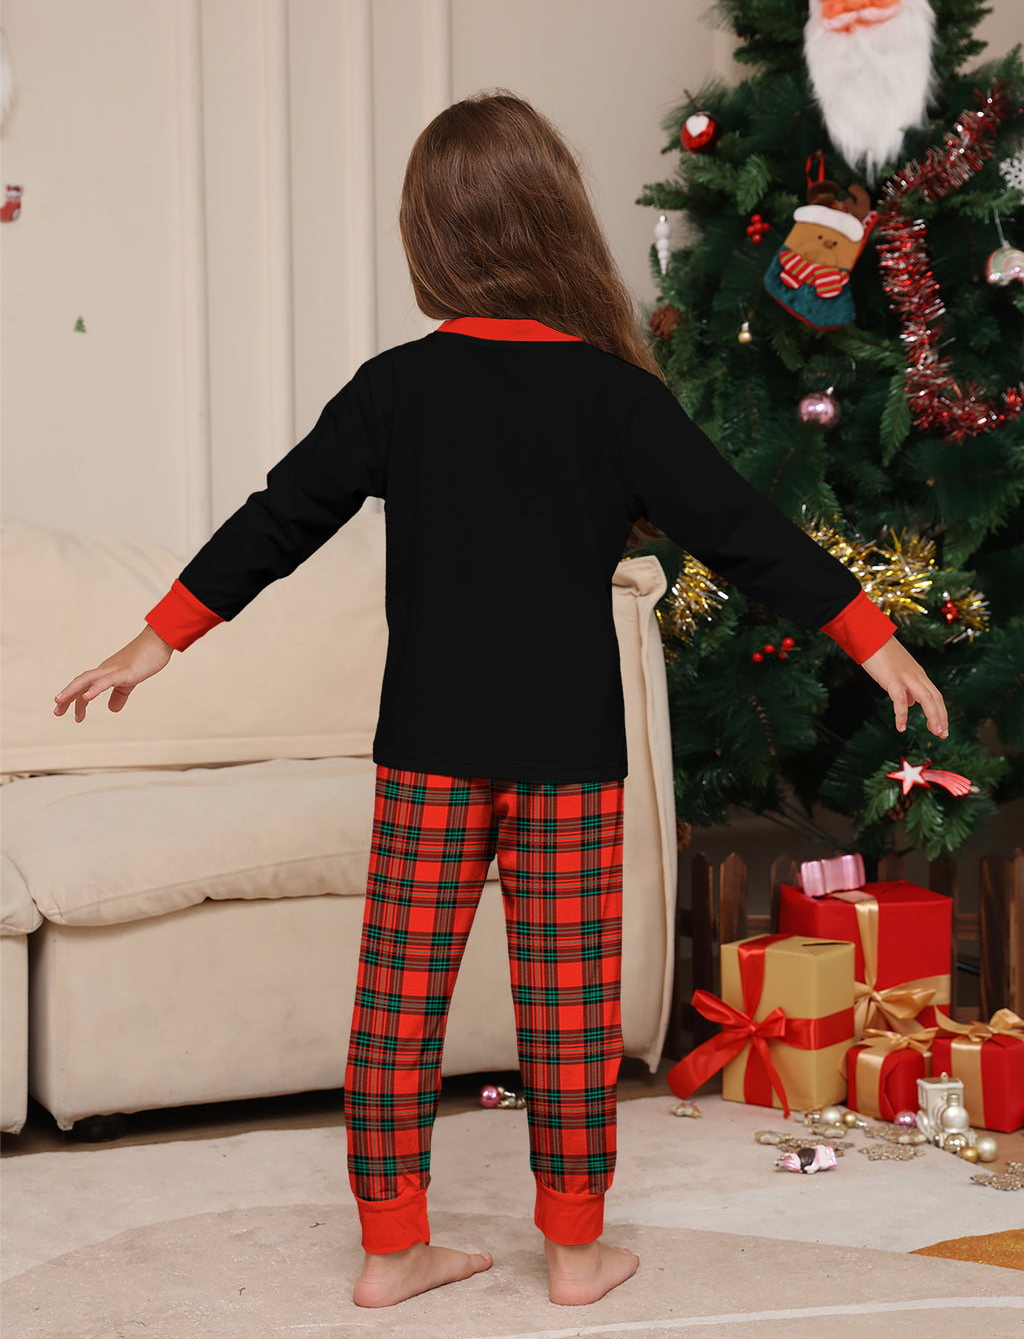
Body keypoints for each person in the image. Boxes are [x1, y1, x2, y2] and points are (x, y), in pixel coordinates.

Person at [54, 91, 948, 1310]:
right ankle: (576, 1253)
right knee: (570, 1008)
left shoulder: (396, 389)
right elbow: (743, 531)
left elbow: (278, 519)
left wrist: (157, 639)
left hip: (428, 750)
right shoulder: (614, 398)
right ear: (555, 223)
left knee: (396, 1004)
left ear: (432, 235)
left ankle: (390, 1251)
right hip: (568, 755)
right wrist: (869, 634)